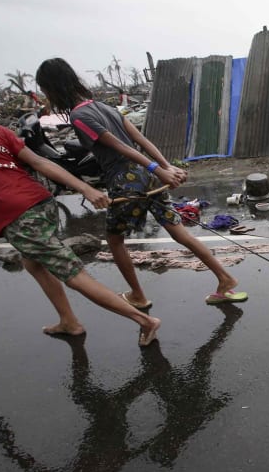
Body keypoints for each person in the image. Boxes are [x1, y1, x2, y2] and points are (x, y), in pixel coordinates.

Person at [0, 74, 162, 347]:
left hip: (18, 217)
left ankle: (144, 321)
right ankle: (68, 321)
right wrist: (83, 188)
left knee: (73, 273)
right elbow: (40, 162)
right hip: (42, 202)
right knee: (33, 262)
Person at [34, 57, 246, 309]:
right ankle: (224, 278)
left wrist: (163, 168)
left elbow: (121, 146)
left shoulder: (79, 115)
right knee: (179, 231)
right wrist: (164, 167)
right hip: (147, 177)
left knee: (114, 240)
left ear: (53, 87)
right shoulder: (106, 107)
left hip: (126, 180)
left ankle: (137, 295)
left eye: (45, 90)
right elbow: (141, 140)